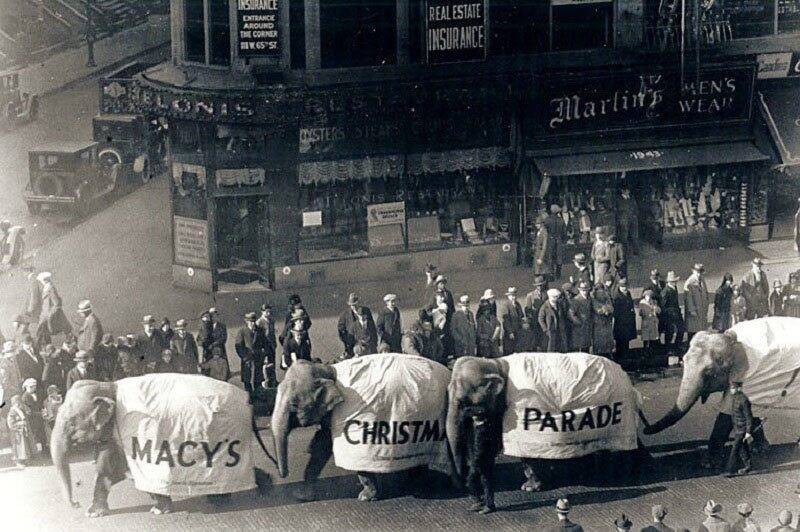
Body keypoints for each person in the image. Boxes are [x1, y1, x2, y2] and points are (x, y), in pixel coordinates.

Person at [725, 380, 754, 477]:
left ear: (738, 388)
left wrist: (748, 432)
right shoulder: (735, 398)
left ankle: (730, 470)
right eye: (731, 388)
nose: (731, 390)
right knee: (742, 448)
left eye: (733, 388)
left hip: (742, 428)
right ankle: (748, 466)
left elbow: (748, 417)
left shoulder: (744, 400)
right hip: (737, 427)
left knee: (735, 448)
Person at [37, 272, 72, 349]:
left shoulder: (50, 288)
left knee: (43, 331)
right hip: (46, 314)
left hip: (50, 314)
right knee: (43, 332)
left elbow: (57, 303)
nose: (41, 282)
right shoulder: (46, 287)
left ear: (45, 280)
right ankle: (47, 347)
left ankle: (46, 348)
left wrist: (50, 314)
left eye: (41, 281)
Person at [235, 312, 267, 397]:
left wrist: (264, 354)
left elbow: (265, 343)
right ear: (246, 322)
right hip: (247, 360)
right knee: (247, 380)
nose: (252, 323)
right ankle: (249, 398)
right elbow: (238, 346)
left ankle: (258, 398)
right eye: (250, 321)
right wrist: (244, 357)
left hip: (258, 359)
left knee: (258, 380)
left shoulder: (260, 330)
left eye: (254, 321)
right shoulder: (242, 331)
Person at [337, 293, 378, 358]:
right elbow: (340, 330)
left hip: (368, 344)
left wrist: (374, 342)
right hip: (353, 345)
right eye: (352, 305)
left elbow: (372, 327)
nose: (354, 307)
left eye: (355, 304)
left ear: (358, 302)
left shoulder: (366, 311)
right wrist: (347, 341)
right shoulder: (345, 314)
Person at [427, 275, 455, 357]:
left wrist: (453, 318)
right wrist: (436, 311)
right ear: (437, 284)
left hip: (449, 320)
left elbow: (452, 307)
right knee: (441, 340)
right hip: (439, 322)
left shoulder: (448, 293)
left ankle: (450, 357)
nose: (443, 285)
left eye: (444, 283)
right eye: (441, 283)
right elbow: (429, 309)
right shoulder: (434, 295)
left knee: (449, 339)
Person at [612, 278, 637, 363]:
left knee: (627, 339)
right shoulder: (616, 296)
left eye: (625, 286)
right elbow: (615, 310)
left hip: (628, 321)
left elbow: (630, 305)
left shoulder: (628, 293)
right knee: (620, 340)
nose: (624, 288)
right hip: (620, 322)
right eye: (622, 287)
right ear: (619, 287)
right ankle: (620, 359)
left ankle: (626, 356)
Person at [684, 263, 710, 344]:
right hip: (694, 312)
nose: (699, 274)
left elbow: (706, 292)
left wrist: (706, 304)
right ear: (693, 271)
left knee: (701, 331)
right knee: (693, 331)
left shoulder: (702, 280)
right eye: (697, 272)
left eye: (700, 272)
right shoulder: (689, 282)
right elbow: (688, 298)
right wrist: (692, 310)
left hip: (702, 310)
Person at [662, 271, 685, 356]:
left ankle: (677, 345)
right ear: (669, 282)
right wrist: (667, 314)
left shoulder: (674, 288)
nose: (675, 283)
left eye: (675, 281)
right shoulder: (666, 291)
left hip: (677, 312)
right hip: (669, 315)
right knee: (669, 332)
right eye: (673, 281)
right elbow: (663, 305)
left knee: (681, 329)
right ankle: (668, 349)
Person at [7, 395, 34, 467]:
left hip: (23, 431)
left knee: (24, 446)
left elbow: (28, 412)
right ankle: (18, 462)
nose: (19, 404)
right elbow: (10, 424)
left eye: (19, 403)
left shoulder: (21, 410)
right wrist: (19, 423)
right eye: (17, 403)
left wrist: (24, 407)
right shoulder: (12, 412)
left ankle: (25, 460)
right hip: (16, 433)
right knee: (17, 447)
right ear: (13, 403)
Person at [20, 377, 47, 453]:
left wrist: (43, 409)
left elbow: (39, 404)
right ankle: (38, 450)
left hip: (38, 417)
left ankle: (44, 448)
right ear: (27, 387)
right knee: (35, 434)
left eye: (34, 387)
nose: (33, 388)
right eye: (31, 387)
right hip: (32, 418)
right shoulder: (25, 396)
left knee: (42, 432)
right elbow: (29, 410)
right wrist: (40, 413)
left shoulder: (35, 394)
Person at [537, 288, 568, 352]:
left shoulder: (559, 305)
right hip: (551, 331)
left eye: (557, 297)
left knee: (561, 347)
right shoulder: (544, 307)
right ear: (550, 297)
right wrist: (545, 329)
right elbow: (540, 319)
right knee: (551, 348)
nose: (556, 298)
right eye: (555, 297)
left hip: (560, 330)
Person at [592, 277, 616, 358]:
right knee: (599, 340)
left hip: (607, 322)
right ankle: (599, 354)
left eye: (601, 289)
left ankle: (608, 353)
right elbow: (598, 310)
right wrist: (605, 309)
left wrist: (607, 309)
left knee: (608, 339)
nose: (600, 291)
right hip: (598, 323)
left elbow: (612, 308)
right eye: (598, 289)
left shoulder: (607, 297)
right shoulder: (593, 300)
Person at [255, 304, 278, 387]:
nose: (268, 314)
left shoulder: (271, 320)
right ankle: (266, 381)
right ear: (262, 312)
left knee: (272, 363)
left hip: (271, 345)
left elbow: (272, 333)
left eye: (269, 312)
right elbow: (258, 336)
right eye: (267, 312)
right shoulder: (259, 322)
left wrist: (274, 344)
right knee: (266, 364)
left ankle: (273, 380)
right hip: (264, 346)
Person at [569, 281, 593, 352]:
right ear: (579, 290)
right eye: (583, 290)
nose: (584, 292)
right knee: (577, 347)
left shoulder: (589, 299)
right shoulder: (576, 300)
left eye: (586, 290)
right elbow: (571, 314)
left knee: (586, 347)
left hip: (587, 327)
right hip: (578, 328)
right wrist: (579, 322)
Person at [524, 277, 548, 350]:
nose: (540, 287)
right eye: (538, 285)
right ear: (535, 286)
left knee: (544, 338)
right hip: (534, 320)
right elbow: (528, 309)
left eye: (541, 285)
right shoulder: (530, 295)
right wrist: (529, 320)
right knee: (534, 339)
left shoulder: (546, 294)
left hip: (544, 320)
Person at [451, 295, 477, 360]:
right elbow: (453, 330)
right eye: (464, 304)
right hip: (461, 344)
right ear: (461, 305)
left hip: (471, 344)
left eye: (467, 303)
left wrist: (473, 339)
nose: (465, 306)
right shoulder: (456, 315)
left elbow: (473, 327)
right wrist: (460, 339)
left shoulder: (471, 314)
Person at [501, 287, 525, 355]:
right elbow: (505, 320)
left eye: (514, 295)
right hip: (509, 333)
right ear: (508, 296)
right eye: (512, 295)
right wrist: (510, 332)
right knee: (509, 350)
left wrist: (522, 324)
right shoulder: (506, 305)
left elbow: (521, 316)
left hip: (517, 331)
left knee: (517, 351)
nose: (513, 297)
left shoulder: (517, 304)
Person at [639, 289, 661, 363]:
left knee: (653, 338)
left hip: (653, 322)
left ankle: (652, 353)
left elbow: (658, 311)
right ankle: (645, 353)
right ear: (645, 296)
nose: (649, 297)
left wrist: (655, 308)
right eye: (647, 296)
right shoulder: (642, 303)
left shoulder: (654, 302)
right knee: (646, 338)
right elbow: (641, 313)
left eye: (650, 296)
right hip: (646, 322)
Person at [647, 269, 666, 338]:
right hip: (654, 308)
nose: (656, 279)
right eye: (654, 277)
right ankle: (656, 342)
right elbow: (645, 297)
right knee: (655, 326)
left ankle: (660, 340)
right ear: (651, 278)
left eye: (657, 277)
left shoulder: (662, 283)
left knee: (662, 325)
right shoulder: (648, 286)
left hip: (663, 307)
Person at [533, 215, 553, 281]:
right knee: (538, 272)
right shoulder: (539, 231)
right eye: (536, 224)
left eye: (538, 224)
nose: (536, 225)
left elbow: (545, 246)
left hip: (541, 255)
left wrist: (541, 258)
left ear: (542, 224)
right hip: (538, 253)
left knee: (542, 273)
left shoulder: (544, 232)